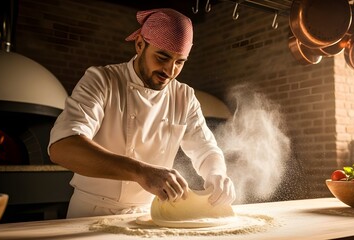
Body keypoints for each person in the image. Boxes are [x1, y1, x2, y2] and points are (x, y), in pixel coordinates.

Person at [48, 8, 236, 218]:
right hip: (91, 212)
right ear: (139, 45)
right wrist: (140, 172)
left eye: (179, 62)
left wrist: (217, 174)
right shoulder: (102, 81)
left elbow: (206, 148)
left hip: (150, 214)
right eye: (162, 57)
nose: (170, 70)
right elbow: (63, 147)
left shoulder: (184, 96)